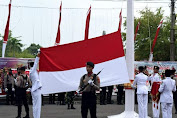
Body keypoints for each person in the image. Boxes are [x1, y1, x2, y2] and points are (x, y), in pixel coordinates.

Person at [29, 52, 42, 118]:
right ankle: (36, 117)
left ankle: (36, 116)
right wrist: (37, 57)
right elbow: (36, 63)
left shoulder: (34, 72)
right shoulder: (32, 71)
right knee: (37, 106)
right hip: (36, 90)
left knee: (36, 105)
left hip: (36, 89)